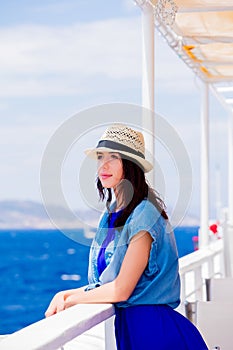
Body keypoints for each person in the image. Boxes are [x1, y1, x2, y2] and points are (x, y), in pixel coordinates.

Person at [45, 124, 208, 349]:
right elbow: (106, 284)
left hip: (154, 333)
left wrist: (71, 300)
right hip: (132, 329)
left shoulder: (144, 214)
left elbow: (121, 289)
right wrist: (64, 294)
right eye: (100, 157)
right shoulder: (112, 215)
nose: (104, 164)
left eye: (114, 157)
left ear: (131, 165)